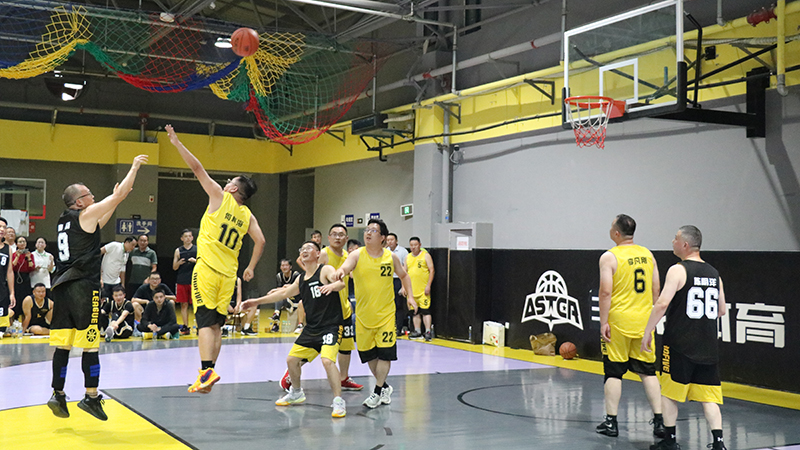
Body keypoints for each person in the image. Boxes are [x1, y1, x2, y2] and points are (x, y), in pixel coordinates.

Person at [166, 124, 265, 394]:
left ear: (232, 188)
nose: (226, 182)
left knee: (203, 324)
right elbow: (261, 241)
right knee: (217, 326)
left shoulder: (220, 197)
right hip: (228, 276)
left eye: (230, 180)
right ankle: (209, 373)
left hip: (208, 270)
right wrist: (250, 267)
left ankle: (205, 372)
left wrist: (176, 143)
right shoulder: (247, 216)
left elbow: (197, 168)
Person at [47, 154, 148, 421]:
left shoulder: (65, 220)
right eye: (89, 194)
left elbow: (99, 222)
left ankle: (57, 393)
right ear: (79, 201)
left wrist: (115, 201)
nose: (93, 196)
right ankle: (91, 397)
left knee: (63, 345)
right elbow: (121, 193)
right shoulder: (85, 213)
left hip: (62, 286)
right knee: (90, 344)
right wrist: (134, 168)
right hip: (83, 286)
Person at [642, 226, 728, 450]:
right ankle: (719, 442)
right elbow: (721, 310)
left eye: (676, 238)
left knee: (669, 393)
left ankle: (670, 440)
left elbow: (662, 303)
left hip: (679, 344)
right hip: (707, 346)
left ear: (685, 245)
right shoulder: (714, 273)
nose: (673, 241)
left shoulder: (678, 270)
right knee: (709, 397)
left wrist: (647, 331)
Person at [242, 240, 348, 418]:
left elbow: (340, 284)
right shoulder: (301, 279)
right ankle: (297, 392)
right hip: (311, 328)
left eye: (309, 248)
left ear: (318, 254)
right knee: (291, 360)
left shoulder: (325, 270)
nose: (304, 251)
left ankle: (338, 401)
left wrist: (332, 286)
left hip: (331, 326)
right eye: (302, 248)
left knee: (327, 361)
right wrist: (256, 301)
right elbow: (283, 294)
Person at [334, 219, 416, 409]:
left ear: (382, 238)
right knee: (370, 357)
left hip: (386, 315)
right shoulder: (357, 255)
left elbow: (404, 275)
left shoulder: (391, 257)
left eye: (373, 230)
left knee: (385, 355)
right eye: (367, 229)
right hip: (363, 317)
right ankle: (385, 386)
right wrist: (340, 272)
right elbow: (345, 267)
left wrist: (410, 296)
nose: (368, 233)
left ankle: (377, 391)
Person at [596, 214, 664, 438]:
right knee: (648, 372)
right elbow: (656, 289)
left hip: (619, 322)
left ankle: (611, 422)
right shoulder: (648, 254)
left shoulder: (609, 257)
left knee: (614, 373)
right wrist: (652, 320)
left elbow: (605, 292)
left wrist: (603, 322)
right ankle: (660, 421)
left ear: (616, 233)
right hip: (643, 321)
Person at [282, 224, 363, 392]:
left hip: (344, 307)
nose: (338, 237)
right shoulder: (324, 254)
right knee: (319, 347)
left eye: (341, 234)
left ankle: (343, 378)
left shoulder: (348, 256)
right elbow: (311, 273)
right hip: (327, 310)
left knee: (346, 346)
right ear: (329, 237)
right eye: (334, 234)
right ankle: (291, 371)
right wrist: (302, 286)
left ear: (346, 238)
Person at [403, 237, 435, 341]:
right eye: (411, 245)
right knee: (414, 312)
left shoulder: (425, 255)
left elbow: (432, 270)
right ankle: (417, 331)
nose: (413, 247)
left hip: (423, 290)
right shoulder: (407, 257)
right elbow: (404, 273)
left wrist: (428, 285)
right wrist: (403, 287)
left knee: (425, 311)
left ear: (420, 245)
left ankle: (428, 331)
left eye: (415, 245)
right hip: (411, 290)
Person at [173, 229, 197, 335]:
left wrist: (195, 261)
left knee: (196, 305)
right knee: (184, 304)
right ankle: (186, 326)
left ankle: (199, 327)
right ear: (182, 238)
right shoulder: (178, 250)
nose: (188, 238)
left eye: (189, 236)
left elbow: (203, 264)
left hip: (194, 280)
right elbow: (174, 267)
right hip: (182, 280)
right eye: (185, 236)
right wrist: (179, 262)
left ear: (192, 238)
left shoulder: (197, 249)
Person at [268, 259, 300, 333]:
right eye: (282, 265)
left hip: (296, 300)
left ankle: (276, 317)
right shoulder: (279, 276)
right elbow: (281, 289)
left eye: (286, 265)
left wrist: (275, 290)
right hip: (286, 299)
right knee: (278, 297)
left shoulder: (296, 275)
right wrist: (279, 289)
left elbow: (294, 289)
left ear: (290, 267)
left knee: (279, 296)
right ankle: (276, 319)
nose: (284, 267)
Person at [386, 233, 409, 335]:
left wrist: (403, 285)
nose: (389, 242)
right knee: (388, 304)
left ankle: (398, 328)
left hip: (398, 280)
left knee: (398, 305)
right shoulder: (385, 251)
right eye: (388, 240)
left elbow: (405, 268)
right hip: (387, 280)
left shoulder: (403, 251)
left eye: (392, 240)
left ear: (396, 241)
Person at [100, 237, 135, 302]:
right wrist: (100, 277)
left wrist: (123, 284)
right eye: (132, 245)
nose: (133, 247)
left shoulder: (126, 254)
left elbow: (122, 270)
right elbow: (99, 252)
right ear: (127, 242)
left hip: (116, 282)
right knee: (104, 301)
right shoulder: (114, 245)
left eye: (134, 246)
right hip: (104, 280)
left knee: (115, 302)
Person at [11, 235, 35, 321]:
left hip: (26, 277)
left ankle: (25, 319)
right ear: (17, 244)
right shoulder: (14, 254)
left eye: (23, 241)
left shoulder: (30, 254)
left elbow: (32, 267)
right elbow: (12, 266)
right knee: (17, 297)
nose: (22, 243)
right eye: (20, 242)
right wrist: (17, 256)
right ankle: (14, 319)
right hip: (16, 276)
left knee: (25, 296)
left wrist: (29, 258)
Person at [127, 234, 157, 300]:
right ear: (138, 241)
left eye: (145, 241)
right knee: (133, 299)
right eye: (141, 240)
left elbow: (154, 267)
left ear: (147, 242)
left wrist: (148, 279)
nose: (142, 242)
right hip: (133, 281)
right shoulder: (132, 251)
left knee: (145, 299)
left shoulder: (152, 253)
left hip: (145, 281)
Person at [0, 217, 15, 336]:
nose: (2, 229)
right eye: (0, 226)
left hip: (2, 288)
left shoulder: (7, 248)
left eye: (4, 227)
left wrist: (12, 293)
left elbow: (9, 272)